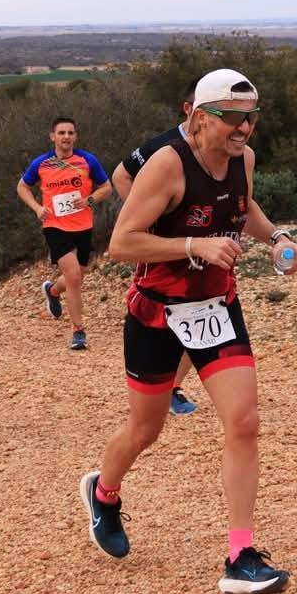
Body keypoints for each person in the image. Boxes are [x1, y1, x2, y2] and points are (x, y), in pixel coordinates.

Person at [79, 68, 297, 594]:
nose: (244, 127)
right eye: (232, 117)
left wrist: (278, 237)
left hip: (216, 306)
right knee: (144, 431)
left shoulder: (242, 160)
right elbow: (122, 243)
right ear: (200, 118)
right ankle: (104, 493)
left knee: (244, 421)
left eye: (250, 117)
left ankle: (241, 556)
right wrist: (192, 246)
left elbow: (241, 209)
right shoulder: (166, 166)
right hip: (156, 311)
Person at [112, 77, 201, 415]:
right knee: (162, 319)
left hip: (204, 253)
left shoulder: (226, 150)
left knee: (207, 315)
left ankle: (173, 387)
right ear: (190, 109)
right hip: (163, 251)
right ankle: (154, 387)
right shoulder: (162, 148)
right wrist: (145, 221)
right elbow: (120, 175)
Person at [17, 117, 111, 350]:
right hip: (55, 226)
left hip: (83, 226)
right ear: (52, 136)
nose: (66, 137)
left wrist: (89, 200)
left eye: (70, 133)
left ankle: (52, 290)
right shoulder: (41, 163)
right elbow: (22, 187)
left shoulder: (87, 160)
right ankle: (78, 331)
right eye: (61, 133)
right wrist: (38, 208)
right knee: (74, 276)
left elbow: (107, 187)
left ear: (75, 136)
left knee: (78, 274)